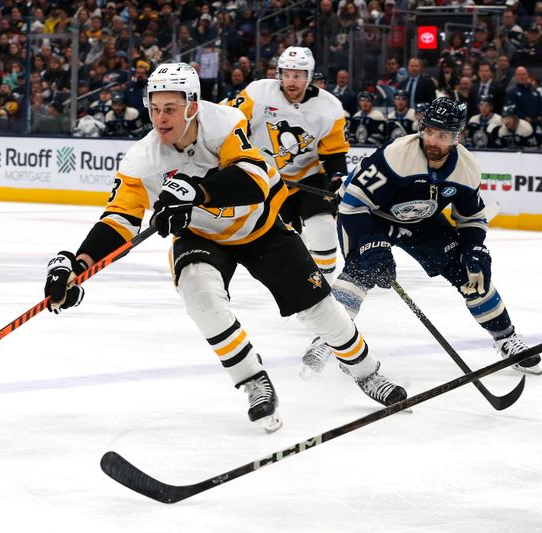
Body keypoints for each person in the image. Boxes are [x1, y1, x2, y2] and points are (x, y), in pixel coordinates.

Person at [43, 62, 407, 434]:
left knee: (320, 311)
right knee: (199, 295)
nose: (160, 118)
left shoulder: (224, 123)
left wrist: (196, 191)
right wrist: (77, 265)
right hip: (201, 236)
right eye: (154, 108)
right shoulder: (142, 159)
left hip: (259, 227)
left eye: (170, 108)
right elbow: (118, 220)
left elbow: (253, 179)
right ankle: (253, 381)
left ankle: (366, 373)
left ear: (192, 106)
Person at [301, 97, 542, 376]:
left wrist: (474, 247)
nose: (433, 140)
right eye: (429, 131)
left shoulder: (467, 168)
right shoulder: (397, 155)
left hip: (421, 222)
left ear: (457, 137)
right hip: (370, 217)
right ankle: (327, 340)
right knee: (359, 272)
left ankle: (505, 337)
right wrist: (370, 244)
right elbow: (352, 205)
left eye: (442, 135)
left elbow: (472, 218)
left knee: (470, 272)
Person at [227, 46, 349, 283]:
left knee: (323, 227)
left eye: (298, 75)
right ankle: (307, 281)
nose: (291, 81)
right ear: (279, 74)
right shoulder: (258, 93)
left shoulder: (329, 107)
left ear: (309, 77)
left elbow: (334, 153)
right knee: (287, 238)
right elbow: (230, 122)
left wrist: (337, 180)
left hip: (308, 176)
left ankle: (326, 286)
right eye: (287, 74)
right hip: (267, 179)